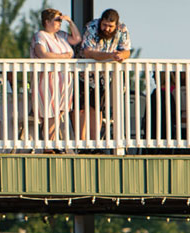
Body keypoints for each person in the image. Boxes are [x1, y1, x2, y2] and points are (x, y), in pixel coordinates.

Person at [78, 9, 131, 140]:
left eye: (110, 26)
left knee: (98, 108)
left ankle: (95, 143)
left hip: (103, 77)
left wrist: (120, 55)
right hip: (83, 73)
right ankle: (82, 143)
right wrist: (110, 56)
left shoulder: (122, 29)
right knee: (82, 108)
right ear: (100, 22)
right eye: (104, 25)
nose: (106, 29)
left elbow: (127, 51)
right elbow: (88, 52)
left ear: (116, 25)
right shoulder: (91, 27)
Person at [30, 9, 81, 144]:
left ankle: (52, 142)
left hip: (64, 81)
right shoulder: (40, 35)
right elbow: (42, 53)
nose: (59, 23)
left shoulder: (61, 35)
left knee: (58, 112)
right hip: (48, 80)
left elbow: (77, 39)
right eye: (57, 20)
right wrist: (63, 57)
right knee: (49, 112)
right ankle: (48, 144)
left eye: (60, 20)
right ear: (47, 22)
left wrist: (69, 21)